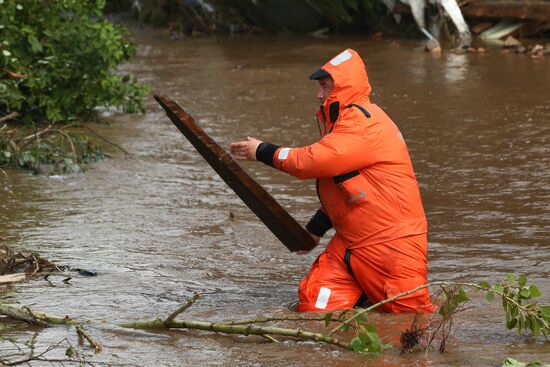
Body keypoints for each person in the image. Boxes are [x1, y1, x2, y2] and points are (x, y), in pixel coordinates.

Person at [229, 49, 433, 313]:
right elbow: (346, 191)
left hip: (392, 246)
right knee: (315, 307)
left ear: (343, 88)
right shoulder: (346, 126)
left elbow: (310, 162)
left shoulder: (363, 124)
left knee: (410, 323)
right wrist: (315, 229)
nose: (319, 94)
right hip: (351, 242)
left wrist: (262, 151)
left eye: (325, 86)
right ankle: (361, 307)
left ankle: (368, 303)